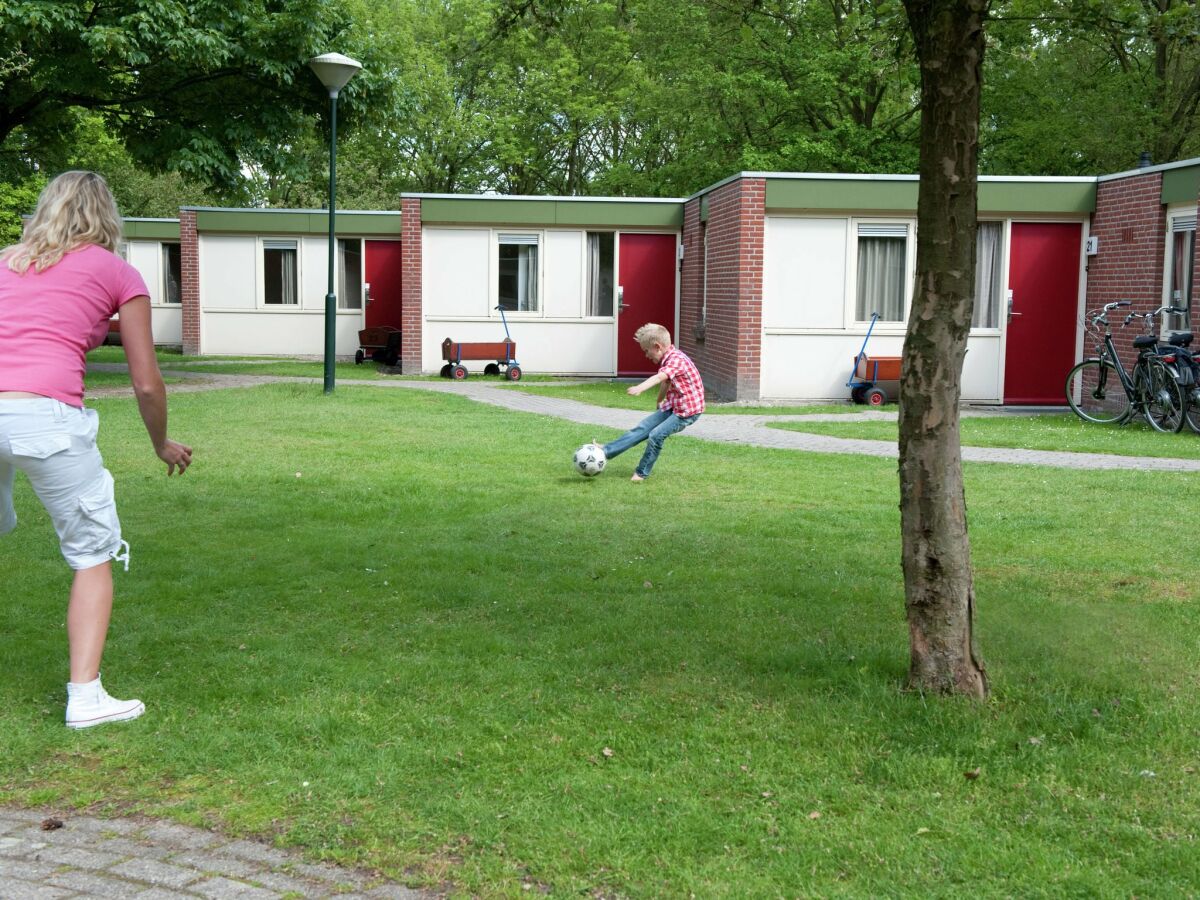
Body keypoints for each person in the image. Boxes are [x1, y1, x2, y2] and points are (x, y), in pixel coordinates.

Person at [0, 171, 192, 729]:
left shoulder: (4, 262)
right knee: (91, 553)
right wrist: (160, 443)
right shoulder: (118, 272)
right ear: (107, 216)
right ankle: (85, 700)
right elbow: (147, 382)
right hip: (48, 419)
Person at [600, 323, 705, 481]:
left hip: (687, 412)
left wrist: (640, 388)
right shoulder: (668, 359)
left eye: (646, 351)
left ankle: (641, 473)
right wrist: (660, 399)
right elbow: (666, 382)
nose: (646, 355)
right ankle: (607, 451)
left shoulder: (676, 360)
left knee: (656, 435)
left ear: (657, 347)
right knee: (643, 428)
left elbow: (659, 378)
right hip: (674, 405)